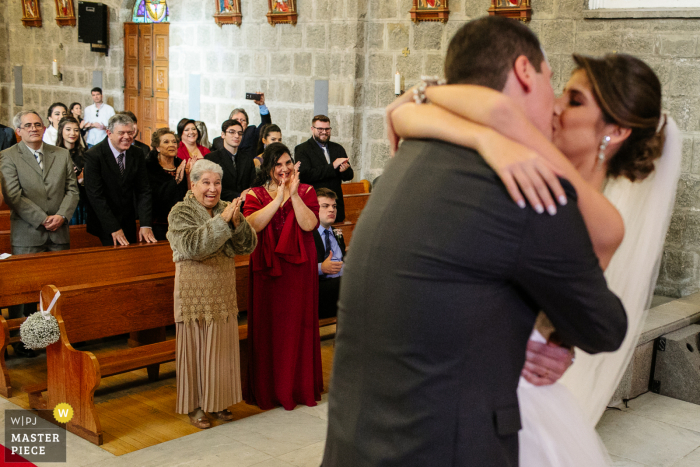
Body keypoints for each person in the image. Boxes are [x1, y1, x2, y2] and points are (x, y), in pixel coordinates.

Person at [322, 16, 628, 467]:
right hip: (445, 451)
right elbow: (604, 326)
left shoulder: (410, 155)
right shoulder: (528, 188)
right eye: (551, 79)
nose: (556, 101)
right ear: (525, 71)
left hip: (356, 443)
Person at [387, 45, 680, 467]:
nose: (557, 106)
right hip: (452, 376)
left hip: (508, 394)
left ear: (614, 132)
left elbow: (574, 312)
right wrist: (426, 99)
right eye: (562, 92)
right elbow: (403, 115)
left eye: (575, 100)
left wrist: (559, 343)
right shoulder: (525, 163)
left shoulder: (598, 219)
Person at [167, 159, 257, 429]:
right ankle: (194, 406)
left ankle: (219, 401)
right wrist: (223, 221)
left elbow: (247, 246)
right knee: (195, 351)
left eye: (216, 183)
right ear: (193, 184)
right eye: (205, 182)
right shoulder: (180, 212)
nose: (212, 188)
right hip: (194, 292)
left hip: (223, 290)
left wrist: (239, 223)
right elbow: (193, 247)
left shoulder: (225, 208)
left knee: (221, 351)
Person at [243, 142, 323, 410]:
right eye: (278, 164)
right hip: (267, 267)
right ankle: (268, 389)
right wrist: (278, 198)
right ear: (268, 167)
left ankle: (298, 387)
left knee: (298, 325)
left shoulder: (307, 190)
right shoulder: (254, 194)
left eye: (288, 163)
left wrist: (294, 196)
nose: (284, 168)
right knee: (270, 326)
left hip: (299, 268)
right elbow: (253, 225)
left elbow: (309, 224)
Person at [0, 110, 79, 358]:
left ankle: (60, 337)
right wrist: (42, 219)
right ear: (19, 131)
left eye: (37, 124)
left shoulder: (61, 154)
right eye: (28, 125)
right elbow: (13, 195)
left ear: (44, 128)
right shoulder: (8, 156)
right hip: (28, 233)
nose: (33, 128)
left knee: (58, 288)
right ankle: (24, 341)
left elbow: (72, 190)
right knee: (24, 291)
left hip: (59, 232)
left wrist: (62, 215)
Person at [84, 113, 156, 246]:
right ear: (109, 133)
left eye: (130, 132)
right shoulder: (94, 155)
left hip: (128, 220)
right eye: (121, 133)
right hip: (104, 222)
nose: (127, 137)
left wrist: (145, 224)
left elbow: (143, 190)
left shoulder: (137, 153)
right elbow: (95, 196)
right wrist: (113, 228)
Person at [294, 115, 354, 223]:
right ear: (312, 129)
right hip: (315, 204)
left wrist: (345, 170)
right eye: (320, 129)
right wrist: (333, 166)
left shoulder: (338, 148)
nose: (324, 132)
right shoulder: (302, 149)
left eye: (327, 129)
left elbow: (349, 176)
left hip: (335, 204)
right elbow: (305, 175)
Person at [146, 128, 189, 240]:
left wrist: (188, 175)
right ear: (157, 147)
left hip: (182, 222)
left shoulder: (182, 165)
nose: (172, 145)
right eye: (166, 142)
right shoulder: (149, 167)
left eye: (174, 142)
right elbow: (156, 197)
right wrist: (176, 181)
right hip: (159, 223)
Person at [313, 188, 345, 319]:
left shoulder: (337, 233)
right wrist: (321, 268)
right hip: (319, 291)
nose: (332, 210)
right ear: (314, 209)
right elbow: (297, 271)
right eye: (325, 206)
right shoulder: (308, 235)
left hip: (339, 289)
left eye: (334, 206)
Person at [205, 119, 255, 203]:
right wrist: (239, 195)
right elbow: (210, 187)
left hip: (245, 204)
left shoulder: (247, 158)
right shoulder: (211, 158)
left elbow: (253, 183)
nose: (236, 136)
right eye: (232, 132)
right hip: (220, 204)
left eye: (240, 133)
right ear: (223, 135)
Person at [55, 116, 88, 225]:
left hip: (82, 199)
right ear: (61, 131)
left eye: (76, 130)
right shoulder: (53, 154)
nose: (72, 133)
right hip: (62, 201)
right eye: (68, 129)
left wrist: (82, 180)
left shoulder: (85, 153)